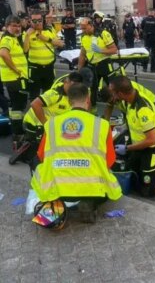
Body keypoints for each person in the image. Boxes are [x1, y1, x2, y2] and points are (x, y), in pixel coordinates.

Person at [31, 83, 123, 224]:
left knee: (37, 165)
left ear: (68, 101)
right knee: (108, 175)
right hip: (91, 189)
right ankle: (88, 202)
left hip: (59, 189)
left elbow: (42, 156)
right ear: (88, 100)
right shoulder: (102, 125)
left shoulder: (52, 124)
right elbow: (109, 160)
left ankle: (54, 201)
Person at [22, 72, 83, 169]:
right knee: (43, 151)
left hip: (50, 126)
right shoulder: (54, 93)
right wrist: (46, 125)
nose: (73, 90)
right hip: (35, 124)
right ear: (66, 82)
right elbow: (34, 104)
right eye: (71, 87)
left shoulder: (73, 95)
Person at [78, 17, 119, 113]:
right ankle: (92, 111)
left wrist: (101, 50)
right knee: (92, 89)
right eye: (82, 28)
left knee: (113, 87)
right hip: (92, 65)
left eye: (84, 28)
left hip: (104, 63)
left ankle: (121, 108)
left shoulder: (103, 34)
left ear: (91, 25)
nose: (83, 30)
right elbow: (83, 53)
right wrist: (79, 69)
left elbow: (114, 49)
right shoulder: (83, 36)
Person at [0, 15, 28, 146]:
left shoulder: (14, 38)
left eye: (18, 25)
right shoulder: (7, 38)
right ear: (7, 26)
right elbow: (4, 54)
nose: (17, 28)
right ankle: (18, 133)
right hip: (14, 78)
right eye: (13, 26)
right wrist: (16, 70)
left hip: (15, 78)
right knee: (19, 105)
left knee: (15, 105)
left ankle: (15, 129)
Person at [24, 10, 61, 100]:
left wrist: (44, 38)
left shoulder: (49, 30)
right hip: (34, 68)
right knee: (34, 94)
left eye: (39, 20)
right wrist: (27, 36)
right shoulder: (27, 33)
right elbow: (25, 50)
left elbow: (60, 44)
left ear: (43, 20)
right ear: (30, 21)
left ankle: (46, 112)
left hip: (49, 67)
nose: (37, 23)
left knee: (48, 93)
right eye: (34, 21)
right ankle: (34, 112)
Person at [141, 8, 155, 72]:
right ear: (153, 13)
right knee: (154, 54)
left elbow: (142, 28)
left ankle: (144, 68)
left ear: (148, 12)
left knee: (146, 53)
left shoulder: (144, 20)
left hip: (147, 38)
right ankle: (153, 69)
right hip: (154, 39)